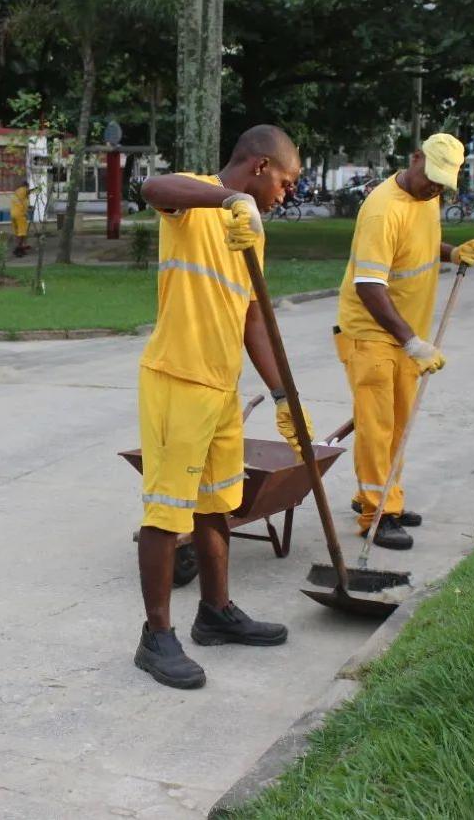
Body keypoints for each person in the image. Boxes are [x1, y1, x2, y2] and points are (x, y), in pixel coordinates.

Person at [133, 124, 315, 690]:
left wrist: (284, 394)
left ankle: (215, 612)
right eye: (284, 183)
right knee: (168, 511)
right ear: (260, 167)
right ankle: (155, 636)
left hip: (221, 388)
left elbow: (252, 318)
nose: (285, 195)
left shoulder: (251, 232)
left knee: (217, 505)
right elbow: (153, 187)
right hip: (176, 379)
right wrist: (229, 198)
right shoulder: (197, 196)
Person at [334, 133, 474, 551]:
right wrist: (412, 343)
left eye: (442, 182)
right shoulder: (383, 209)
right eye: (430, 177)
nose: (434, 188)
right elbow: (369, 285)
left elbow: (415, 245)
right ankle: (375, 515)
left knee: (399, 424)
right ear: (415, 158)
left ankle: (385, 498)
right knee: (378, 427)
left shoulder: (427, 198)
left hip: (403, 337)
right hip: (371, 334)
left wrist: (451, 253)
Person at [10, 181, 31, 257]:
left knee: (18, 233)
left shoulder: (16, 192)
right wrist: (37, 188)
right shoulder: (24, 189)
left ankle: (21, 247)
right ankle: (18, 250)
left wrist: (27, 207)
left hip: (13, 214)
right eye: (28, 187)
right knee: (22, 233)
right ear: (26, 186)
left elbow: (21, 202)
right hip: (20, 215)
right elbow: (29, 191)